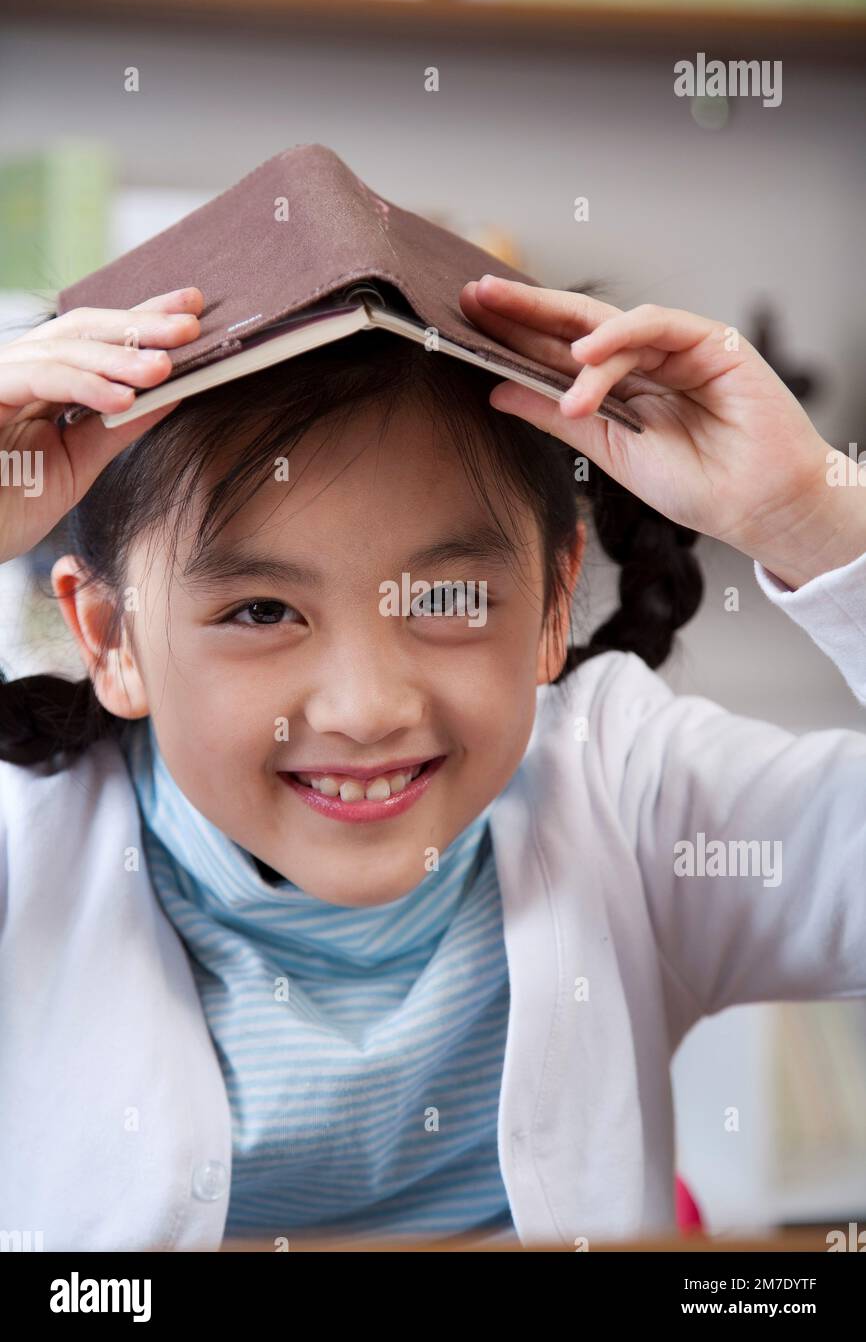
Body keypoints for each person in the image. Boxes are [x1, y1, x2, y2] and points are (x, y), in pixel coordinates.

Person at [0, 277, 864, 1250]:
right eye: (259, 611)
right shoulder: (28, 848)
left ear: (550, 607)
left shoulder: (624, 790)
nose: (368, 710)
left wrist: (812, 513)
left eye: (447, 602)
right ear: (112, 638)